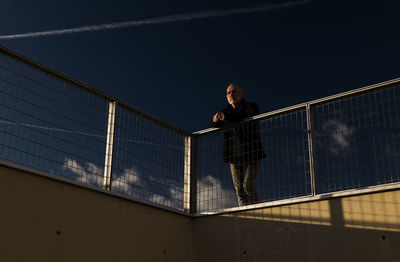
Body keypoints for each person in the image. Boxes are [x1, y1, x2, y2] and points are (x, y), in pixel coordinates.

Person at [211, 83, 266, 206]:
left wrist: (227, 118)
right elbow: (214, 126)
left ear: (241, 94)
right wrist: (215, 121)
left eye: (234, 91)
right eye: (229, 92)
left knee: (248, 185)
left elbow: (244, 117)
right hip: (234, 155)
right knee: (239, 190)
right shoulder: (225, 111)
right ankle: (245, 216)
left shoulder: (251, 106)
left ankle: (258, 211)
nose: (231, 94)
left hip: (252, 153)